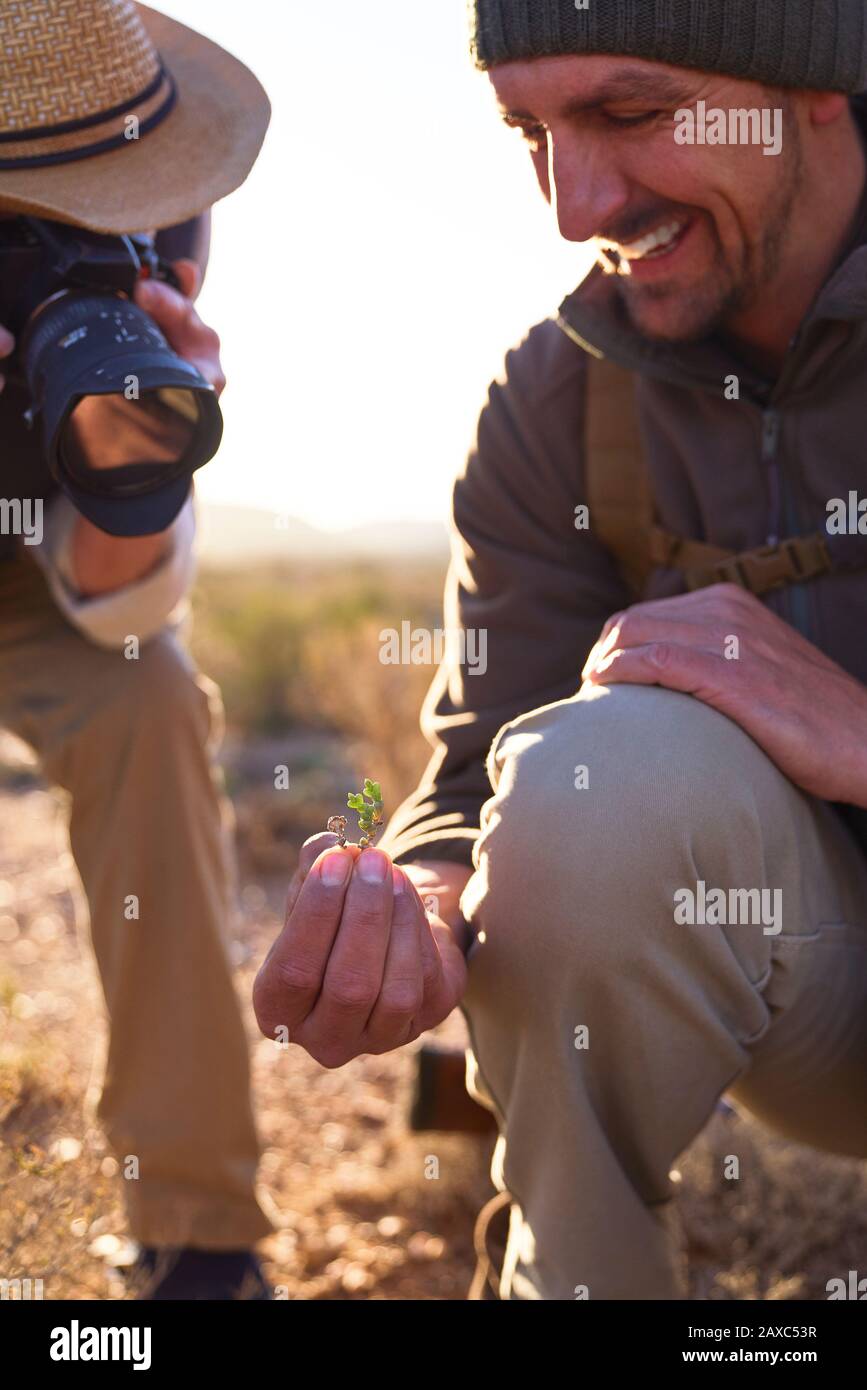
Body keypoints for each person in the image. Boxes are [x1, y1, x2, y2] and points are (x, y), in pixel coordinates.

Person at [254, 0, 867, 1300]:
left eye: (632, 113)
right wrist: (419, 892)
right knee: (591, 787)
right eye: (529, 130)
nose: (574, 203)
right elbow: (476, 767)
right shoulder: (554, 401)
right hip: (821, 996)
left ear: (820, 76)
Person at [0, 0, 272, 1299]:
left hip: (29, 574)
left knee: (148, 696)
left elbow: (121, 609)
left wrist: (131, 466)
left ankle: (200, 1231)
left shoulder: (154, 237)